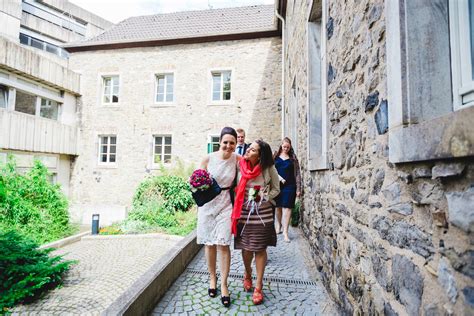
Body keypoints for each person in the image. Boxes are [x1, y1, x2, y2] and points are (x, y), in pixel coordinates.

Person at [231, 139, 280, 305]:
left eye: (252, 150)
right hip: (243, 211)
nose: (248, 151)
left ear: (259, 156)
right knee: (246, 247)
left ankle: (258, 286)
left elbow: (276, 189)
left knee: (259, 248)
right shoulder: (240, 166)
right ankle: (247, 272)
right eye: (249, 148)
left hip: (263, 213)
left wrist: (265, 197)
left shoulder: (269, 168)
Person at [196, 127, 239, 308]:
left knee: (223, 243)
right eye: (225, 142)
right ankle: (212, 278)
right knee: (209, 244)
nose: (228, 146)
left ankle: (224, 284)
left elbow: (255, 167)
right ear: (220, 142)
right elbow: (196, 181)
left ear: (236, 144)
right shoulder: (208, 158)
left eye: (232, 143)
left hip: (226, 204)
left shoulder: (238, 159)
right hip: (208, 205)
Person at [273, 137, 301, 242]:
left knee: (287, 208)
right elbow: (271, 170)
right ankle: (278, 225)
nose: (286, 149)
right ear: (281, 146)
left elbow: (298, 173)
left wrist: (298, 188)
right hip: (277, 186)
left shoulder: (293, 158)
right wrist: (279, 178)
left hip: (290, 185)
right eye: (284, 146)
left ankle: (285, 232)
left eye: (288, 147)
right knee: (278, 207)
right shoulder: (275, 157)